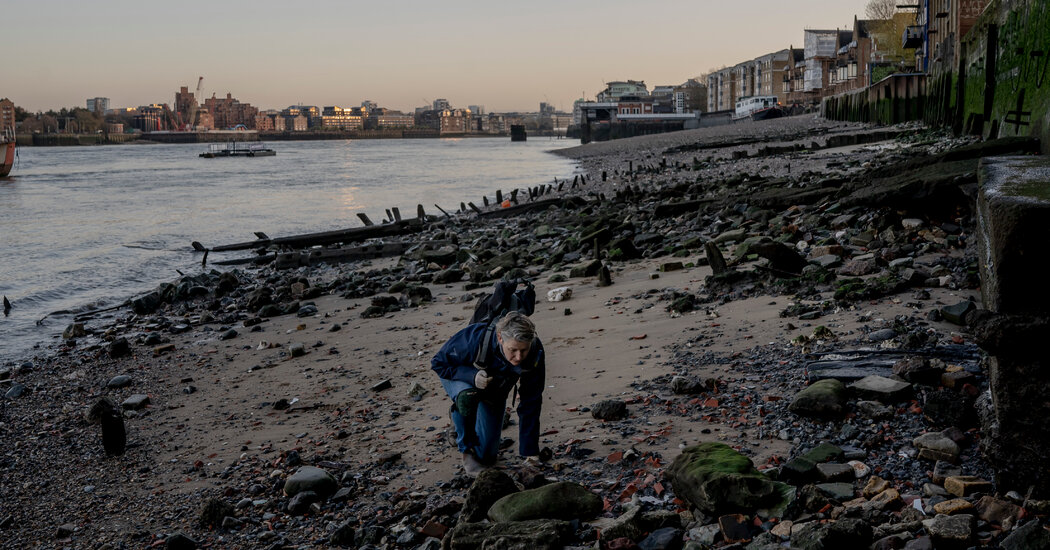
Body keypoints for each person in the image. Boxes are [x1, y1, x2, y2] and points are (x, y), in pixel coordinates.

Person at [431, 312, 545, 475]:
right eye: (513, 350)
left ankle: (459, 419)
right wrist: (471, 376)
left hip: (493, 390)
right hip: (459, 377)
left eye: (523, 350)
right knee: (467, 396)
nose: (519, 357)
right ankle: (467, 453)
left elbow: (531, 400)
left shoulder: (534, 351)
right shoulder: (475, 339)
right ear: (500, 338)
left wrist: (530, 453)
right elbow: (438, 363)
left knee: (487, 456)